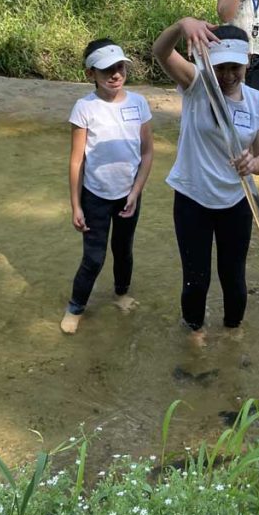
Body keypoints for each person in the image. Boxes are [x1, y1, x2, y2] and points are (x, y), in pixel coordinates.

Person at [152, 18, 259, 345]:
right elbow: (160, 52)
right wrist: (180, 26)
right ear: (209, 63)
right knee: (196, 278)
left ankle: (234, 334)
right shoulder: (197, 84)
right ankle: (195, 335)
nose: (229, 75)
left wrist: (253, 163)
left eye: (236, 67)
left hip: (237, 201)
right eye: (222, 68)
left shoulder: (257, 103)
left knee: (233, 277)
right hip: (193, 198)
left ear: (248, 64)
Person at [62, 39, 154, 334]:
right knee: (93, 258)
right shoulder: (84, 107)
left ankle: (121, 294)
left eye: (119, 67)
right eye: (107, 71)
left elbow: (147, 152)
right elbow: (76, 161)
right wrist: (76, 205)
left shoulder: (138, 103)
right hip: (95, 197)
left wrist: (136, 192)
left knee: (123, 250)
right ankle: (76, 307)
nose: (115, 75)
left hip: (129, 195)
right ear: (91, 74)